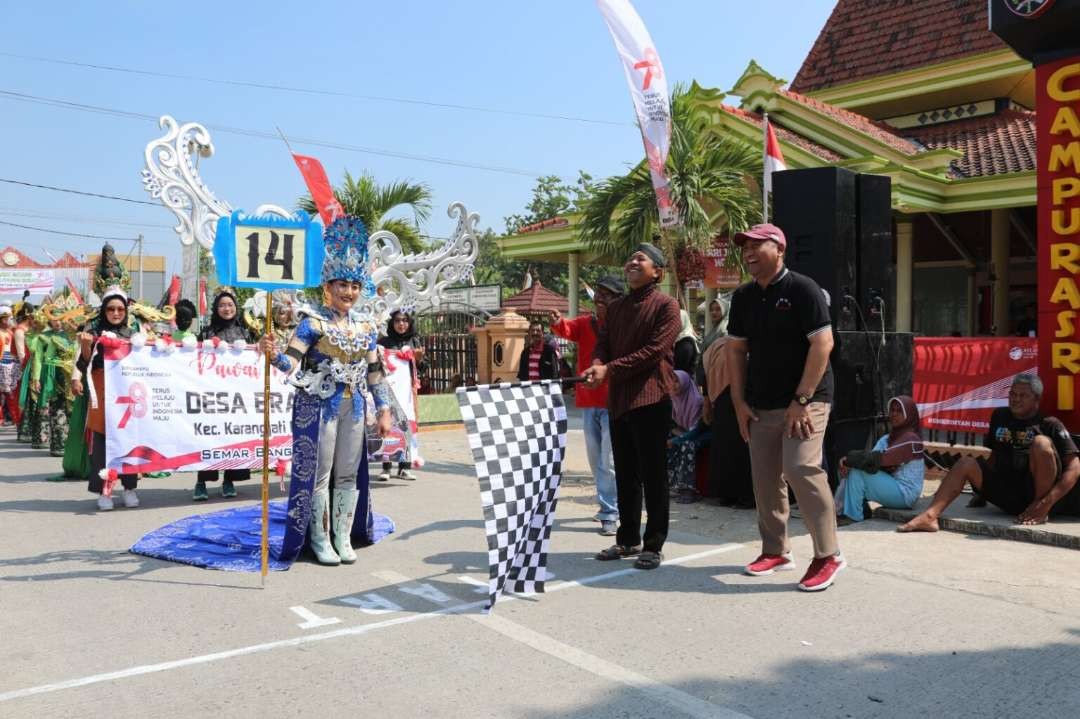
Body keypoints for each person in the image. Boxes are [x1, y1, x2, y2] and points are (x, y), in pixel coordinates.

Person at [260, 215, 394, 566]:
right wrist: (274, 354)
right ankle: (319, 539)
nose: (347, 292)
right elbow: (291, 363)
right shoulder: (311, 323)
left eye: (353, 285)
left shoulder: (366, 326)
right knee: (320, 473)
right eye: (341, 285)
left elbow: (375, 370)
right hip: (318, 405)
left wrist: (382, 410)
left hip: (353, 405)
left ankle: (343, 536)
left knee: (348, 472)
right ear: (327, 288)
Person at [727, 223, 844, 592]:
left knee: (800, 467)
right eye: (743, 246)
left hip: (808, 401)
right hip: (761, 403)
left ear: (778, 248)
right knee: (764, 479)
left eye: (756, 244)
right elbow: (735, 349)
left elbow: (822, 345)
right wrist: (738, 401)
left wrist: (802, 400)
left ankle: (829, 554)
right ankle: (776, 550)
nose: (747, 251)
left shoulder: (802, 289)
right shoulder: (744, 297)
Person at [585, 241, 681, 570]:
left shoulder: (668, 307)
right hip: (620, 400)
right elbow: (603, 345)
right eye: (631, 258)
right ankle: (627, 539)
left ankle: (653, 545)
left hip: (652, 399)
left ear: (658, 272)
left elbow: (653, 352)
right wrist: (598, 363)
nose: (633, 262)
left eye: (641, 259)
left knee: (653, 476)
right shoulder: (617, 308)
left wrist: (608, 369)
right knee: (625, 474)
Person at [899, 374, 1080, 531]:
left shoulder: (1050, 423)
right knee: (966, 463)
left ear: (1036, 399)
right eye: (1012, 394)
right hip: (1009, 495)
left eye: (1023, 395)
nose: (1016, 399)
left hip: (1038, 497)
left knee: (1041, 444)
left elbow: (1074, 467)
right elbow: (995, 457)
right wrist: (981, 491)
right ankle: (930, 517)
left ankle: (1038, 512)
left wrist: (1046, 503)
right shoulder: (999, 416)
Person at [550, 275, 624, 536]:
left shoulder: (622, 326)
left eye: (607, 295)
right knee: (597, 461)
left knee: (610, 460)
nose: (600, 299)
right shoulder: (586, 324)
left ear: (618, 300)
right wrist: (557, 321)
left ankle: (610, 512)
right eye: (599, 295)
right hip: (589, 402)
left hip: (615, 402)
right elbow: (566, 329)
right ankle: (610, 505)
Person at [75, 287, 141, 511]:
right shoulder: (93, 331)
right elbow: (83, 365)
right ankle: (104, 491)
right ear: (104, 310)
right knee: (102, 444)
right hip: (102, 392)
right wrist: (85, 345)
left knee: (129, 441)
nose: (115, 313)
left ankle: (130, 488)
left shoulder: (133, 334)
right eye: (111, 308)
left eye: (120, 309)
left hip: (127, 394)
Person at [191, 288, 256, 501]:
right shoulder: (207, 333)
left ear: (235, 307)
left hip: (236, 397)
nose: (226, 308)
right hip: (212, 396)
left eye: (230, 305)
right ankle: (201, 482)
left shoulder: (246, 333)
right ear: (216, 308)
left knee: (232, 438)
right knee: (209, 439)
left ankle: (229, 480)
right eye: (222, 305)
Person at [835, 396, 925, 525]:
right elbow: (870, 462)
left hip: (905, 494)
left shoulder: (911, 439)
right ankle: (860, 509)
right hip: (892, 486)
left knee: (857, 470)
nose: (894, 414)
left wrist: (849, 459)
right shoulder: (887, 439)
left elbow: (880, 459)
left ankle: (853, 516)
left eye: (899, 411)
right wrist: (848, 464)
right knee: (853, 469)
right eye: (892, 410)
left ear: (909, 415)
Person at [701, 323, 754, 508]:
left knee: (735, 449)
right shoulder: (725, 345)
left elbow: (705, 373)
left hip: (731, 403)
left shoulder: (720, 345)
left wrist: (708, 401)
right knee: (734, 449)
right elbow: (704, 374)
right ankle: (736, 495)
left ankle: (738, 495)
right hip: (734, 402)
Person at [377, 310, 424, 481]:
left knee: (407, 426)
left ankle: (404, 467)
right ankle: (386, 467)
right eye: (397, 320)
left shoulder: (415, 341)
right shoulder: (383, 342)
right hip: (388, 390)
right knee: (388, 426)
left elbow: (423, 368)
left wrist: (419, 359)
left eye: (405, 320)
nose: (401, 324)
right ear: (392, 323)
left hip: (407, 393)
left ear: (410, 323)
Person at [668, 369, 709, 504]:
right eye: (671, 380)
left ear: (685, 383)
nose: (673, 385)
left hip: (705, 434)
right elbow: (673, 425)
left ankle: (688, 490)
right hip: (688, 432)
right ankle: (671, 484)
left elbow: (697, 430)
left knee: (686, 444)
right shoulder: (674, 399)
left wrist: (677, 439)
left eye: (677, 381)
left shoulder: (697, 402)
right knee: (668, 439)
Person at [0, 304, 21, 427]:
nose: (11, 321)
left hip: (11, 366)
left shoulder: (12, 332)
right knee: (6, 394)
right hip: (2, 366)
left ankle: (14, 418)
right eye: (9, 318)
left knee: (11, 394)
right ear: (3, 319)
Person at [673, 308, 699, 374]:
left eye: (678, 321)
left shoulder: (686, 344)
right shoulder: (679, 339)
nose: (675, 324)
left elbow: (679, 367)